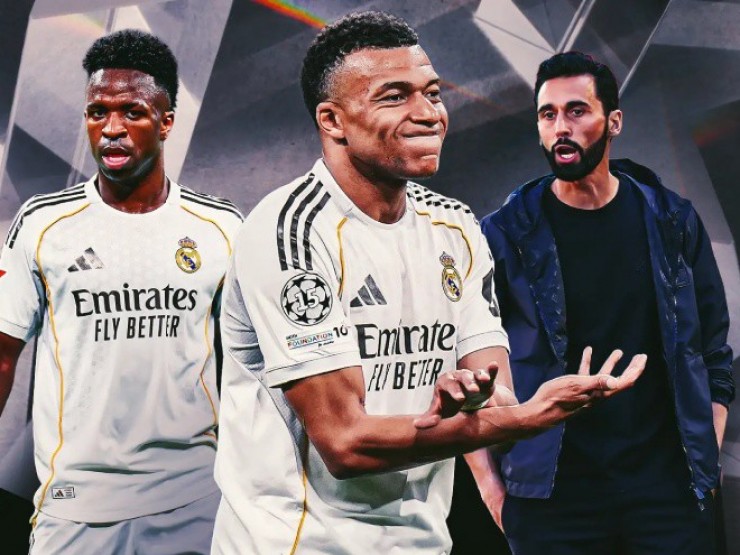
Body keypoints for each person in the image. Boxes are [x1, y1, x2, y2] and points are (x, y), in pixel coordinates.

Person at [211, 13, 646, 555]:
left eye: (432, 93)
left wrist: (476, 399)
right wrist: (523, 419)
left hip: (421, 543)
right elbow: (344, 444)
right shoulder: (290, 233)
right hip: (298, 544)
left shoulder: (455, 227)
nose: (428, 114)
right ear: (333, 120)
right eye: (395, 96)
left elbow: (497, 395)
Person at [478, 51, 734, 554]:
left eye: (576, 111)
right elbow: (466, 363)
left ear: (613, 121)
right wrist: (492, 491)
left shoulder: (672, 220)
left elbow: (714, 352)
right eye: (547, 114)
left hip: (666, 492)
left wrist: (705, 457)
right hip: (553, 497)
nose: (560, 128)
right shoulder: (504, 235)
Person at [0, 29, 243, 554]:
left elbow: (251, 366)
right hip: (74, 505)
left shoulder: (221, 227)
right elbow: (2, 355)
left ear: (166, 121)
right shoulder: (43, 224)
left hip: (194, 500)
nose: (111, 129)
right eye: (97, 113)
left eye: (132, 112)